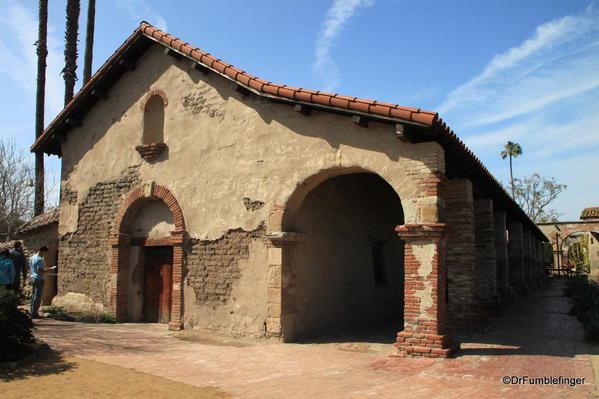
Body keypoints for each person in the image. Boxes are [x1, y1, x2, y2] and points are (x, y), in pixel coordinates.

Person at [30, 246, 48, 319]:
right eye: (45, 253)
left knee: (34, 295)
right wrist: (48, 270)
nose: (45, 254)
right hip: (39, 279)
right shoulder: (40, 259)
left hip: (33, 277)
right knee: (38, 296)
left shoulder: (32, 257)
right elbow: (40, 271)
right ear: (42, 251)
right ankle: (34, 313)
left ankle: (31, 311)